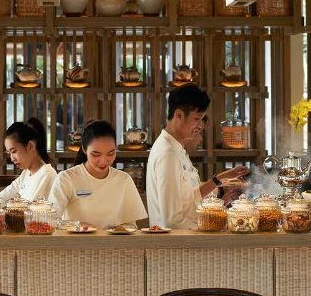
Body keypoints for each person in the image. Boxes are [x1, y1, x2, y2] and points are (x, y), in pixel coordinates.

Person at [146, 84, 248, 229]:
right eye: (197, 119)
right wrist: (209, 228)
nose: (199, 125)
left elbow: (188, 198)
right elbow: (172, 220)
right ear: (179, 115)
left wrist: (219, 179)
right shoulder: (168, 153)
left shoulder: (176, 148)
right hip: (176, 245)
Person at [47, 120, 148, 229]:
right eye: (96, 154)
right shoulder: (66, 178)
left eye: (111, 153)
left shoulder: (124, 180)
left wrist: (121, 229)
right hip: (75, 243)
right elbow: (50, 220)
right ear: (85, 150)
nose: (104, 161)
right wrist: (76, 225)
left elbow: (131, 225)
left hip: (112, 244)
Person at [0, 117, 57, 205]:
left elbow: (29, 211)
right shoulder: (26, 173)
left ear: (30, 146)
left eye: (14, 151)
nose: (12, 158)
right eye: (9, 153)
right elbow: (1, 198)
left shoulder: (47, 175)